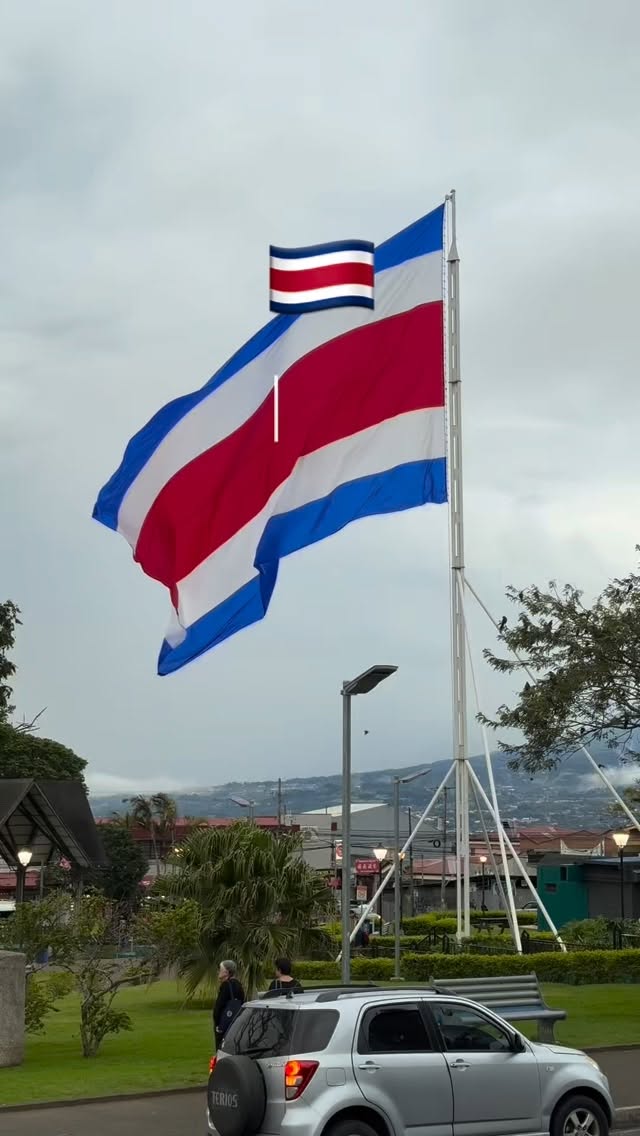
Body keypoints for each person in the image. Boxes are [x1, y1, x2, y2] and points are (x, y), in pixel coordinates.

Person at [213, 960, 245, 1043]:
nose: (218, 972)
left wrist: (217, 1023)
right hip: (236, 1022)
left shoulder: (226, 985)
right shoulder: (239, 984)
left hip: (224, 1023)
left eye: (220, 969)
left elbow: (219, 1006)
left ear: (226, 972)